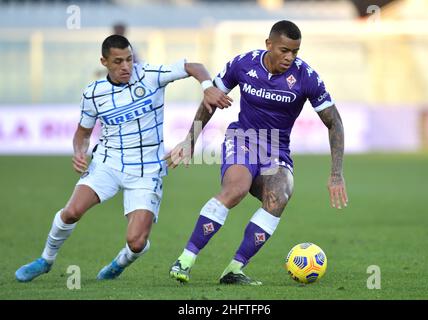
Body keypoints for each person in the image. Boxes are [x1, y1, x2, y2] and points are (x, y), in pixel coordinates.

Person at [15, 34, 232, 282]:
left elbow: (193, 66)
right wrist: (79, 151)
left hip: (146, 170)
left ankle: (119, 263)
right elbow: (82, 134)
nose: (126, 66)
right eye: (118, 61)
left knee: (137, 242)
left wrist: (207, 86)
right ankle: (45, 260)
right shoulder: (94, 93)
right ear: (104, 62)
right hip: (108, 163)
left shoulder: (150, 75)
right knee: (72, 211)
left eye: (129, 59)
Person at [165, 20, 348, 285]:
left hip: (277, 149)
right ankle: (185, 259)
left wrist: (336, 174)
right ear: (269, 44)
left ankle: (234, 269)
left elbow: (335, 122)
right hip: (243, 138)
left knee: (279, 195)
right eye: (284, 50)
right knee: (236, 188)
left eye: (295, 52)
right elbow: (211, 100)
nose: (290, 57)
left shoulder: (306, 77)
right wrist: (190, 140)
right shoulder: (243, 63)